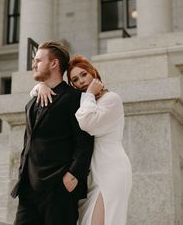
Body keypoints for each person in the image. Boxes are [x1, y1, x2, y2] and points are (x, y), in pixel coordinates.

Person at [33, 55, 132, 225]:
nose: (81, 81)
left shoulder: (111, 99)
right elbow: (42, 93)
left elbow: (87, 124)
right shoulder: (88, 102)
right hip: (92, 176)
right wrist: (40, 86)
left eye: (84, 75)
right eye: (75, 80)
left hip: (111, 170)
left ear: (93, 73)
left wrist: (89, 94)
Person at [11, 42, 94, 225]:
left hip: (59, 189)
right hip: (28, 190)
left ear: (54, 63)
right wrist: (21, 174)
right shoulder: (31, 103)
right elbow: (28, 142)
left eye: (39, 60)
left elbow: (85, 140)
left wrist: (73, 174)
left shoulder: (74, 98)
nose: (34, 64)